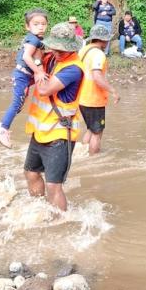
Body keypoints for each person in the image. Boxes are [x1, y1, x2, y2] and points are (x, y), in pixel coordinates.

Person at [22, 22, 85, 211]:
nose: (56, 52)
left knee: (53, 185)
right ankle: (40, 209)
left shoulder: (73, 68)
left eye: (61, 50)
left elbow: (44, 89)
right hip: (41, 130)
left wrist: (39, 66)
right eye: (54, 48)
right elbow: (31, 54)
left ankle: (61, 222)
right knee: (30, 173)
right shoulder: (53, 58)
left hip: (59, 135)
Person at [0, 9, 49, 148]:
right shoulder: (33, 39)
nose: (40, 27)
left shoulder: (37, 39)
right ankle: (2, 129)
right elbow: (26, 57)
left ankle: (2, 125)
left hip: (25, 76)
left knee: (20, 105)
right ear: (28, 27)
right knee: (17, 103)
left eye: (43, 24)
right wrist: (39, 72)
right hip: (23, 75)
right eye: (36, 24)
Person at [78, 25, 120, 155]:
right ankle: (93, 159)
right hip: (93, 99)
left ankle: (83, 154)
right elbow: (97, 76)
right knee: (97, 132)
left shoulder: (83, 51)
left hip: (81, 98)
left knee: (90, 129)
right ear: (103, 40)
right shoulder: (98, 54)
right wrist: (113, 91)